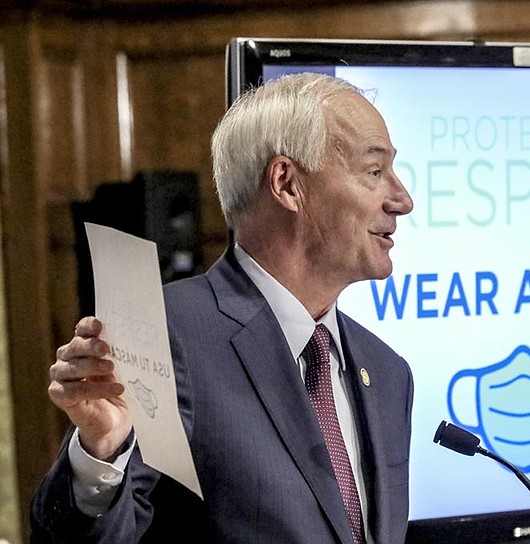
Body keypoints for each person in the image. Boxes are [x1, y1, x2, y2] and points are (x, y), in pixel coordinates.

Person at [29, 72, 415, 543]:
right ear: (287, 184)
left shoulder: (388, 373)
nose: (402, 200)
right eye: (375, 172)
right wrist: (101, 452)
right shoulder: (169, 334)